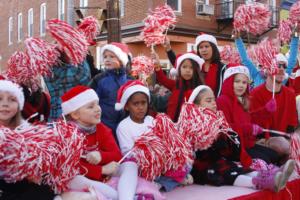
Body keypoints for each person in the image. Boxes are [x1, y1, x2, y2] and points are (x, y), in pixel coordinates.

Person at [188, 85, 295, 192]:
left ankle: (271, 176)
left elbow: (227, 140)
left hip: (219, 159)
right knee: (227, 171)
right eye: (208, 100)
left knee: (238, 167)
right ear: (196, 105)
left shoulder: (216, 120)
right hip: (203, 165)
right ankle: (257, 182)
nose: (213, 103)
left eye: (213, 100)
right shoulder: (193, 124)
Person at [116, 80, 192, 199]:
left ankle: (164, 181)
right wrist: (150, 154)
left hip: (161, 164)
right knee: (135, 172)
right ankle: (163, 183)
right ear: (126, 106)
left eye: (143, 103)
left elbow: (162, 139)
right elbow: (128, 153)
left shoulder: (150, 120)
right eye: (136, 104)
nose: (141, 107)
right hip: (143, 167)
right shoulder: (123, 126)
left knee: (188, 158)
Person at [0, 80, 55, 200]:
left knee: (44, 192)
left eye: (12, 99)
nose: (5, 104)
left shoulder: (27, 132)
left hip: (22, 184)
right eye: (0, 99)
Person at [217, 64, 281, 164]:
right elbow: (225, 128)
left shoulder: (243, 100)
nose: (241, 85)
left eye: (244, 82)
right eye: (237, 81)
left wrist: (266, 110)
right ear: (228, 82)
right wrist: (248, 128)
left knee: (275, 155)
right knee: (266, 160)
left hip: (247, 143)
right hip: (235, 147)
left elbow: (251, 119)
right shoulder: (223, 100)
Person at [250, 61, 298, 159]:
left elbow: (292, 123)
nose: (281, 69)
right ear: (267, 71)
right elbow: (254, 123)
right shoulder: (255, 94)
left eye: (284, 66)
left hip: (284, 137)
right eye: (277, 66)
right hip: (263, 139)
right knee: (282, 145)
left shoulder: (290, 94)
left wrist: (290, 139)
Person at [162, 33, 227, 97]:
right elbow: (178, 64)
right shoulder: (196, 64)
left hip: (214, 104)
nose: (204, 50)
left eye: (207, 46)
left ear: (214, 48)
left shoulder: (222, 68)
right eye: (201, 47)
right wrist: (168, 49)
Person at [89, 42, 132, 137]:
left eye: (112, 57)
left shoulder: (130, 80)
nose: (107, 59)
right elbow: (90, 100)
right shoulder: (99, 79)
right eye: (105, 57)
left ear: (121, 60)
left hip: (125, 125)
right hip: (104, 124)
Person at [234, 28, 299, 87]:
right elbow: (245, 60)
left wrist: (295, 37)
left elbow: (292, 60)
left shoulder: (281, 77)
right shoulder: (257, 75)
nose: (281, 68)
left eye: (284, 66)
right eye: (278, 65)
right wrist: (237, 39)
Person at [153, 52, 205, 122]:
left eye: (191, 67)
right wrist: (157, 66)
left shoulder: (199, 88)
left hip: (189, 125)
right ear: (179, 69)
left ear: (196, 70)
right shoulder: (176, 84)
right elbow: (163, 80)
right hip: (172, 123)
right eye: (184, 67)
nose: (187, 70)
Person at [44, 50, 91, 121]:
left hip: (55, 114)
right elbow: (85, 75)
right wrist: (79, 51)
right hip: (74, 114)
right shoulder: (74, 72)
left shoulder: (49, 71)